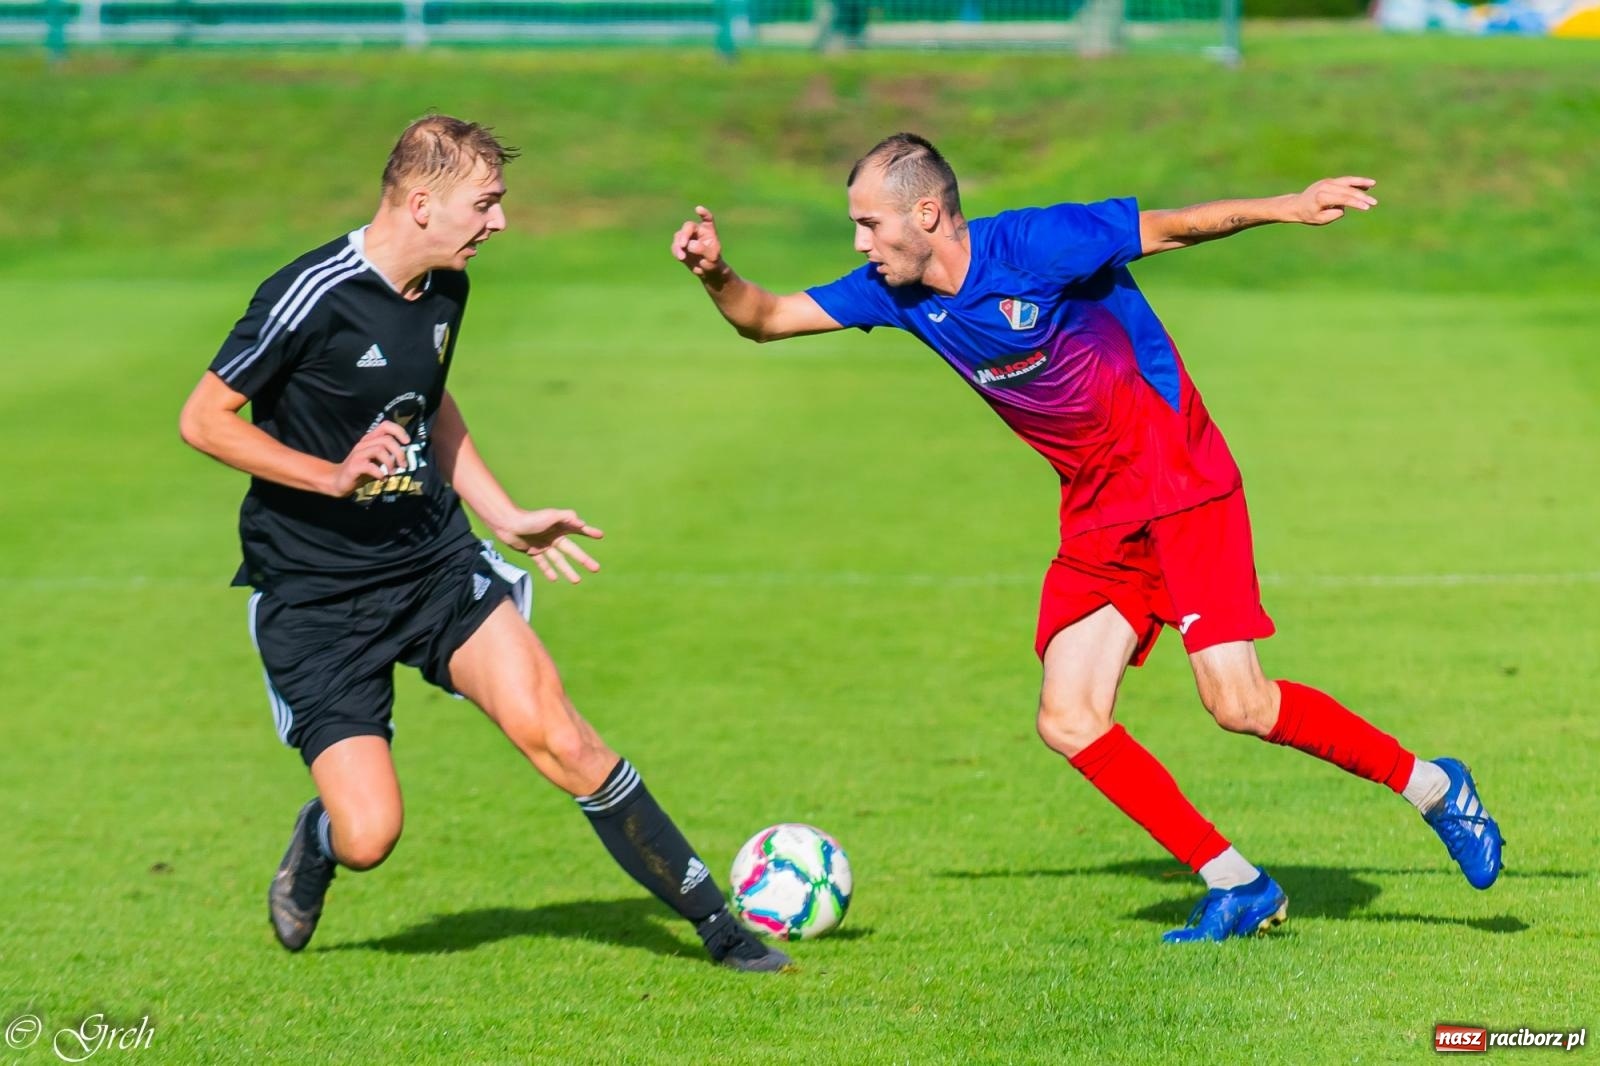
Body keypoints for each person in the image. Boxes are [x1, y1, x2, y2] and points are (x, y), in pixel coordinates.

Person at [670, 132, 1504, 943]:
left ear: (925, 214)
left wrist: (1289, 205)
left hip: (1183, 485)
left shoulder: (1036, 243)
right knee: (1069, 717)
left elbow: (1172, 226)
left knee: (1239, 705)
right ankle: (1236, 883)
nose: (860, 242)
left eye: (869, 224)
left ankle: (1435, 788)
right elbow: (767, 317)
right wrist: (717, 274)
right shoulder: (894, 293)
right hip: (1100, 515)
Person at [179, 114, 788, 971]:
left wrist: (502, 514)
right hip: (318, 598)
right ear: (422, 203)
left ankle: (722, 931)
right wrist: (329, 474)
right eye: (486, 203)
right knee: (370, 835)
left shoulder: (446, 288)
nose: (499, 222)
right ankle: (319, 835)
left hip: (433, 564)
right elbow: (203, 419)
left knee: (563, 737)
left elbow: (429, 398)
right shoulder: (308, 293)